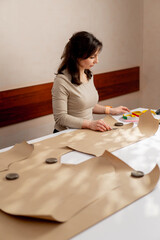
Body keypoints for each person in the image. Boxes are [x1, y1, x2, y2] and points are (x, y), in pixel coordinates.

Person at [52, 31, 129, 133]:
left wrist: (110, 111)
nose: (97, 61)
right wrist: (89, 124)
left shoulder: (88, 75)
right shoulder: (61, 81)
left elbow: (87, 106)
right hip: (66, 133)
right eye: (92, 57)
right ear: (77, 56)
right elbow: (60, 118)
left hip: (86, 131)